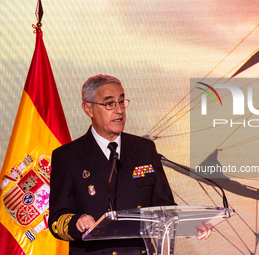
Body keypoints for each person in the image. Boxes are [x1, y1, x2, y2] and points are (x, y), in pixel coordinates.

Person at [48, 74, 214, 255]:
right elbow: (57, 220)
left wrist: (190, 224)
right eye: (110, 104)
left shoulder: (144, 149)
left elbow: (164, 206)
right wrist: (78, 221)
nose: (119, 110)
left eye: (121, 102)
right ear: (88, 109)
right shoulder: (67, 156)